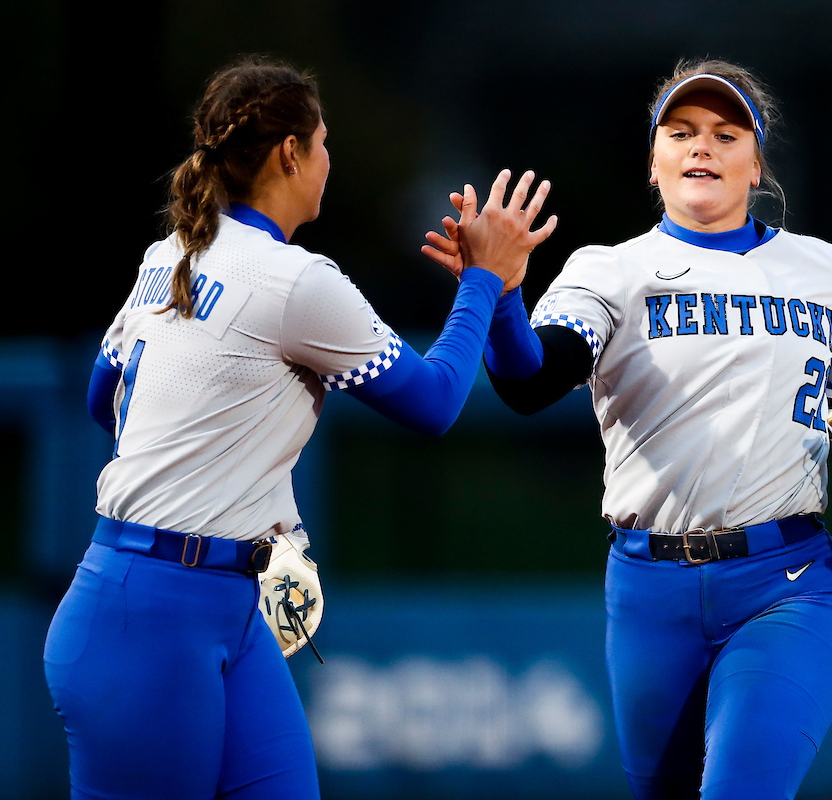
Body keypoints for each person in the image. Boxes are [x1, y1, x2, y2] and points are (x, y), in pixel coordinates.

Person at [43, 57, 554, 800]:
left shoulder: (169, 254)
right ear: (290, 153)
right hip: (148, 621)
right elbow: (436, 402)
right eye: (322, 143)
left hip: (218, 601)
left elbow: (104, 401)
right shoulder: (296, 280)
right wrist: (483, 277)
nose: (327, 159)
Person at [425, 58, 832, 800]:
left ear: (756, 165)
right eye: (680, 132)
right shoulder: (611, 270)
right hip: (650, 589)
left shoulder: (824, 269)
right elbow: (530, 381)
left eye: (724, 134)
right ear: (654, 164)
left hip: (788, 580)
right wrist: (503, 296)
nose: (701, 145)